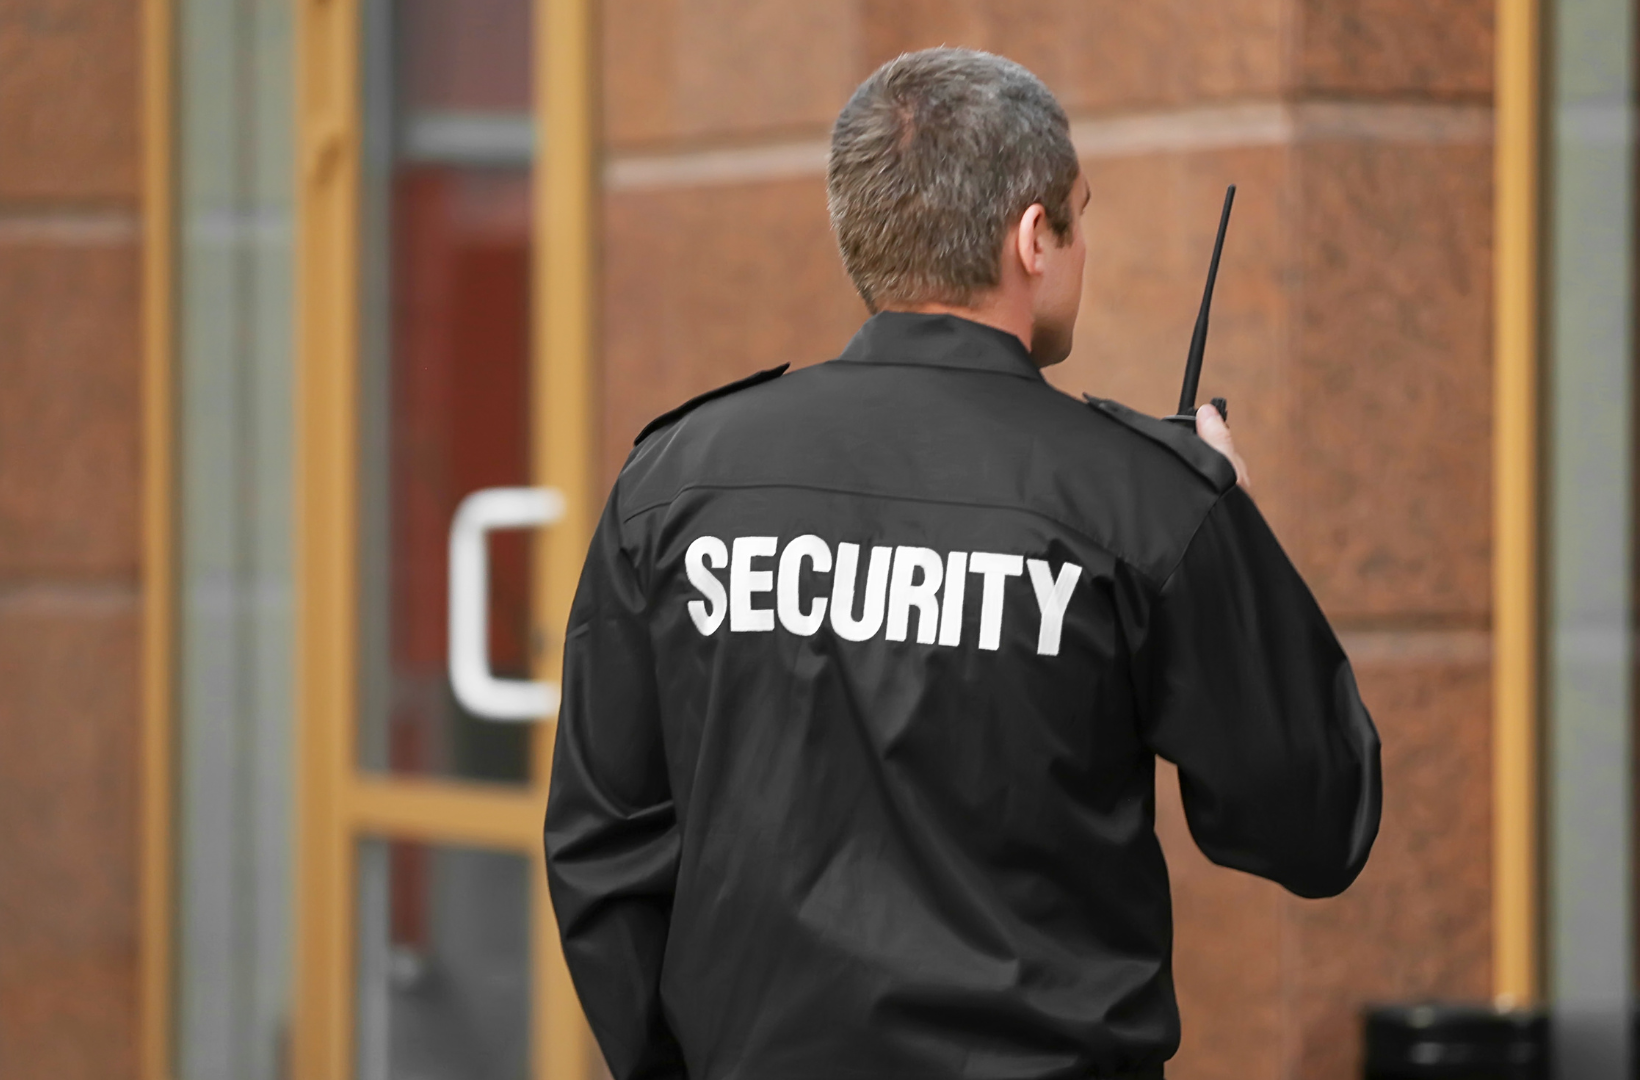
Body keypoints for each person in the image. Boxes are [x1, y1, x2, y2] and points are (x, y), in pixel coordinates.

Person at [545, 47, 1381, 1080]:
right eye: (1081, 214)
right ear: (1034, 236)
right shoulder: (1144, 500)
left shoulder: (674, 482)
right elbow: (1312, 823)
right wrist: (1229, 528)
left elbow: (604, 848)